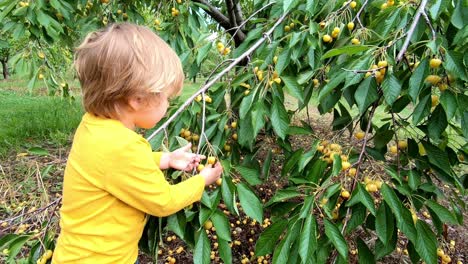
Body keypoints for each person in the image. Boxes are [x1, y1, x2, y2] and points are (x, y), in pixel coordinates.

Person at [52, 23, 223, 264]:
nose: (168, 104)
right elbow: (163, 201)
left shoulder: (93, 127)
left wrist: (166, 159)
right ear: (137, 100)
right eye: (166, 97)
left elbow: (115, 166)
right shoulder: (123, 146)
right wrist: (202, 180)